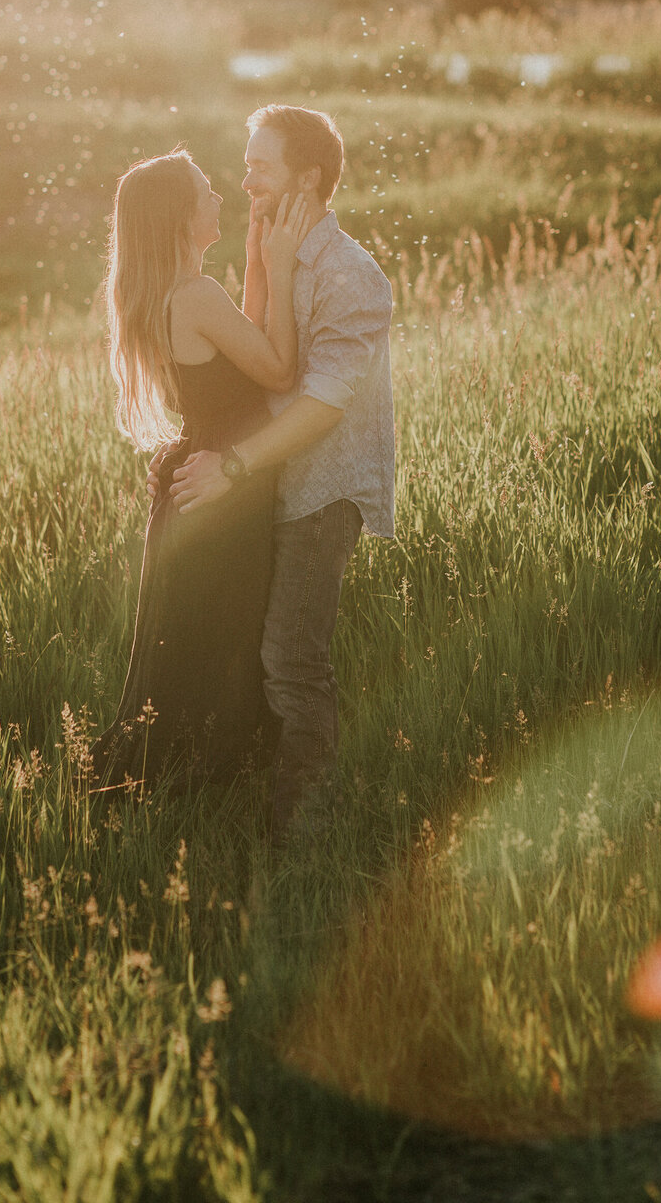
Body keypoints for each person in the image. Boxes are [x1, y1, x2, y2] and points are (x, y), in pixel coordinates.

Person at [169, 106, 395, 842]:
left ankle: (307, 836)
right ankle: (239, 796)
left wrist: (232, 465)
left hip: (320, 492)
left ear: (307, 178)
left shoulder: (351, 275)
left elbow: (321, 406)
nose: (244, 180)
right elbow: (257, 362)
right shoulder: (275, 246)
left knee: (292, 661)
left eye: (259, 167)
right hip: (265, 483)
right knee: (254, 653)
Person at [95, 149, 310, 789]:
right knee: (225, 633)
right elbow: (275, 370)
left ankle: (194, 774)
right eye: (206, 191)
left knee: (192, 633)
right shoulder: (194, 294)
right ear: (181, 216)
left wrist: (252, 263)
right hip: (225, 485)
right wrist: (280, 269)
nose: (220, 197)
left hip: (202, 469)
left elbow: (235, 350)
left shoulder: (167, 294)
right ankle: (211, 779)